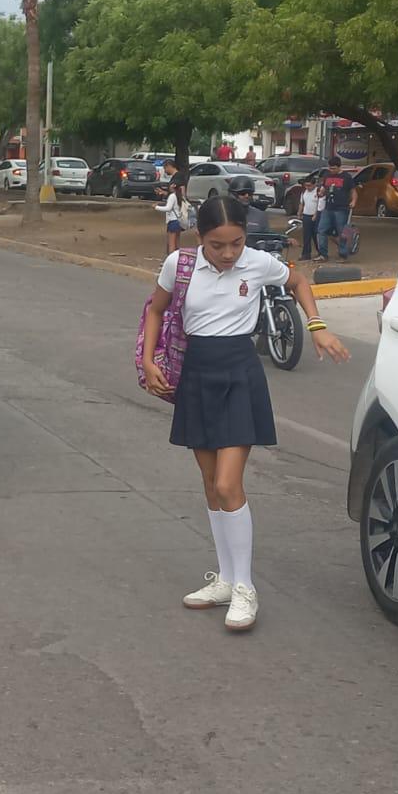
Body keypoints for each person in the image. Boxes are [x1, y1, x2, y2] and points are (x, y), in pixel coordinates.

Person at [140, 195, 350, 632]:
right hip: (196, 374)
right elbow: (156, 310)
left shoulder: (258, 263)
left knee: (227, 483)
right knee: (210, 486)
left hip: (239, 375)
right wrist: (148, 360)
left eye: (237, 242)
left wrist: (316, 325)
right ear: (201, 238)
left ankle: (245, 588)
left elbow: (299, 282)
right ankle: (225, 579)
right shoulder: (178, 265)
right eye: (218, 245)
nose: (229, 253)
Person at [316, 157, 355, 262]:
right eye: (330, 168)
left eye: (333, 168)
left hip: (341, 208)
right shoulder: (327, 176)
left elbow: (353, 191)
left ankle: (343, 255)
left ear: (339, 167)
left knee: (342, 232)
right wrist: (321, 193)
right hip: (328, 208)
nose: (331, 170)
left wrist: (353, 201)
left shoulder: (346, 177)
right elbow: (324, 188)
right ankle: (323, 254)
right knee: (321, 230)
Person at [156, 178, 193, 255]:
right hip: (180, 221)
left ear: (173, 186)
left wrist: (156, 207)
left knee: (171, 244)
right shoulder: (180, 196)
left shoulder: (172, 196)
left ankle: (171, 261)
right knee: (177, 243)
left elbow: (168, 208)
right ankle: (178, 259)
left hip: (173, 221)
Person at [297, 174, 323, 262]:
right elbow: (302, 203)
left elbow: (320, 204)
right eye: (306, 185)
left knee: (316, 235)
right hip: (306, 215)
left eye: (309, 185)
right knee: (306, 236)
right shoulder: (304, 192)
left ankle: (320, 252)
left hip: (315, 215)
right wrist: (299, 213)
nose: (308, 187)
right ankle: (306, 253)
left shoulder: (318, 192)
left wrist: (316, 214)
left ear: (314, 184)